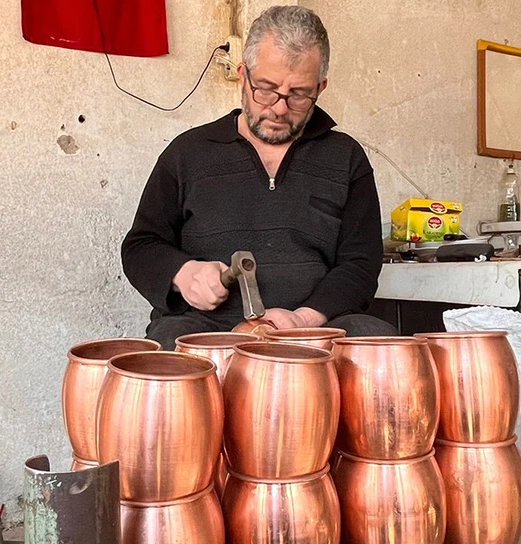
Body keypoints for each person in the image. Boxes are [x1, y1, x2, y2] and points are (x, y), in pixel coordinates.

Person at [120, 5, 397, 350]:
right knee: (168, 348)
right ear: (242, 74)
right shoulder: (188, 153)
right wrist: (184, 273)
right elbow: (141, 246)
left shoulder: (345, 158)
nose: (279, 107)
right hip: (207, 330)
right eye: (265, 88)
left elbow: (360, 263)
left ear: (320, 87)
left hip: (312, 331)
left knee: (376, 339)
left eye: (298, 94)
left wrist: (305, 318)